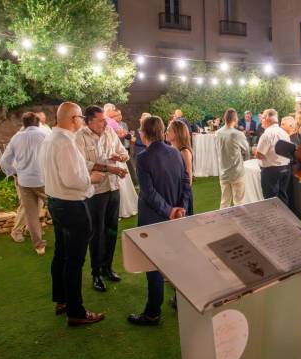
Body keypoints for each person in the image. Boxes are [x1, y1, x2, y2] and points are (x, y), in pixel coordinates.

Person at [38, 102, 106, 326]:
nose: (83, 122)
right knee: (74, 261)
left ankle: (62, 299)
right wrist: (92, 179)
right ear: (73, 118)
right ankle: (76, 311)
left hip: (56, 202)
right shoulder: (65, 142)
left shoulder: (49, 138)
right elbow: (72, 179)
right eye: (81, 118)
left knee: (61, 254)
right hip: (71, 205)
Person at [129, 116, 190, 326]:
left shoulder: (143, 158)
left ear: (143, 133)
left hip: (154, 219)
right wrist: (181, 208)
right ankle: (181, 302)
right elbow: (185, 183)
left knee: (154, 267)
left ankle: (153, 313)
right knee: (177, 262)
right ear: (163, 132)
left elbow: (148, 193)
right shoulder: (175, 152)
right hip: (175, 216)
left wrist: (171, 210)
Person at [74, 106, 129, 293]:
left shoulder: (109, 132)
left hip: (114, 188)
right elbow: (82, 163)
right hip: (96, 192)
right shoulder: (79, 136)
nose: (105, 123)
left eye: (104, 120)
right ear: (89, 121)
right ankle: (96, 273)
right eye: (100, 120)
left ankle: (107, 267)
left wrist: (120, 156)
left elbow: (124, 152)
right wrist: (108, 168)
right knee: (97, 234)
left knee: (112, 230)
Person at [0, 112, 49, 255]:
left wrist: (13, 172)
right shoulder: (45, 134)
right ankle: (65, 238)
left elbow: (4, 160)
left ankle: (39, 246)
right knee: (57, 207)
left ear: (24, 123)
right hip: (43, 180)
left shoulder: (16, 137)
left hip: (24, 181)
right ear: (38, 122)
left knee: (31, 214)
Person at [255, 109, 292, 207]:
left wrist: (255, 150)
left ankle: (274, 221)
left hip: (271, 171)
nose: (261, 120)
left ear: (267, 119)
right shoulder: (284, 133)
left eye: (262, 118)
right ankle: (285, 221)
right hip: (285, 169)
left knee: (270, 201)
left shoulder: (267, 134)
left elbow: (259, 154)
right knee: (283, 198)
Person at [217, 109, 250, 208]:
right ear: (235, 119)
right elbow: (247, 150)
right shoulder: (237, 134)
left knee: (224, 202)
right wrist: (246, 162)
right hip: (237, 172)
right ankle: (239, 223)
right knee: (239, 202)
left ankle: (223, 222)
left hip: (223, 171)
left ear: (224, 118)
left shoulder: (218, 133)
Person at [167, 120, 194, 216]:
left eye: (169, 130)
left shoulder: (184, 152)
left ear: (177, 133)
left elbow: (189, 179)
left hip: (182, 195)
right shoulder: (170, 149)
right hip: (172, 193)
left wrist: (183, 201)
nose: (166, 132)